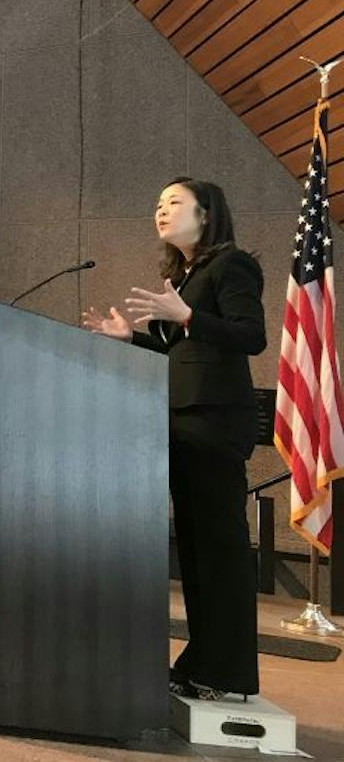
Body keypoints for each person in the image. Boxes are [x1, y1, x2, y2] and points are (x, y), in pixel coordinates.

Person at [82, 177, 264, 702]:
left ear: (205, 213)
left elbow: (252, 335)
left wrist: (187, 315)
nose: (161, 211)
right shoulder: (185, 277)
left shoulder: (232, 265)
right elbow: (180, 356)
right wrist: (131, 338)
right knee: (196, 551)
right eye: (157, 203)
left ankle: (227, 671)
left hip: (213, 424)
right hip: (181, 423)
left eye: (174, 203)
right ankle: (202, 660)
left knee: (219, 552)